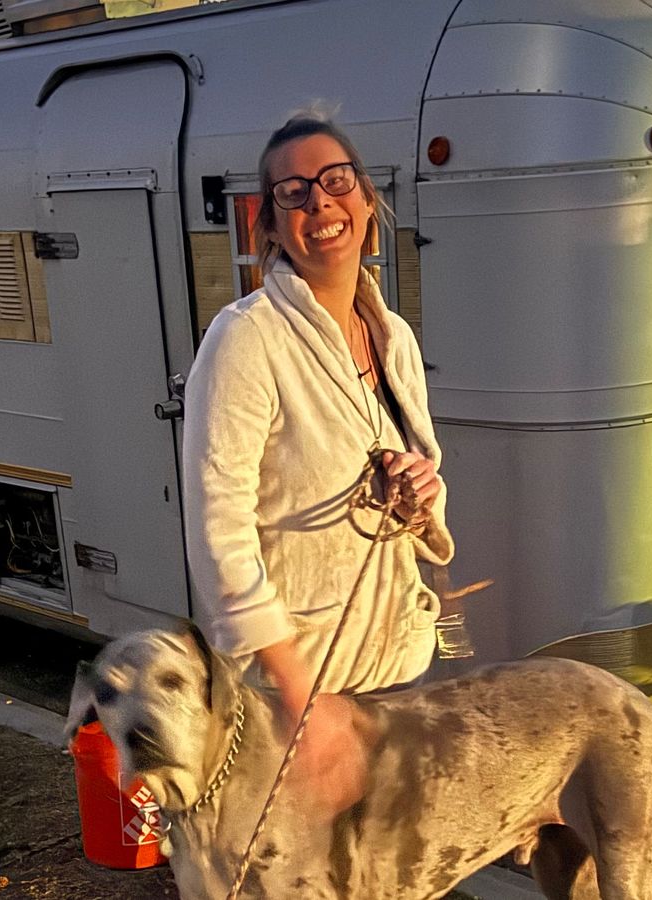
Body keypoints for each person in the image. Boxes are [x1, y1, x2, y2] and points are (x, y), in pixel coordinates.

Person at [182, 111, 454, 812]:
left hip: (398, 670)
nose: (320, 203)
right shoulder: (246, 339)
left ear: (366, 198)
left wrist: (420, 493)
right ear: (271, 225)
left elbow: (421, 493)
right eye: (293, 192)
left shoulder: (393, 338)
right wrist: (299, 696)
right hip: (299, 699)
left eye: (336, 181)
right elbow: (218, 533)